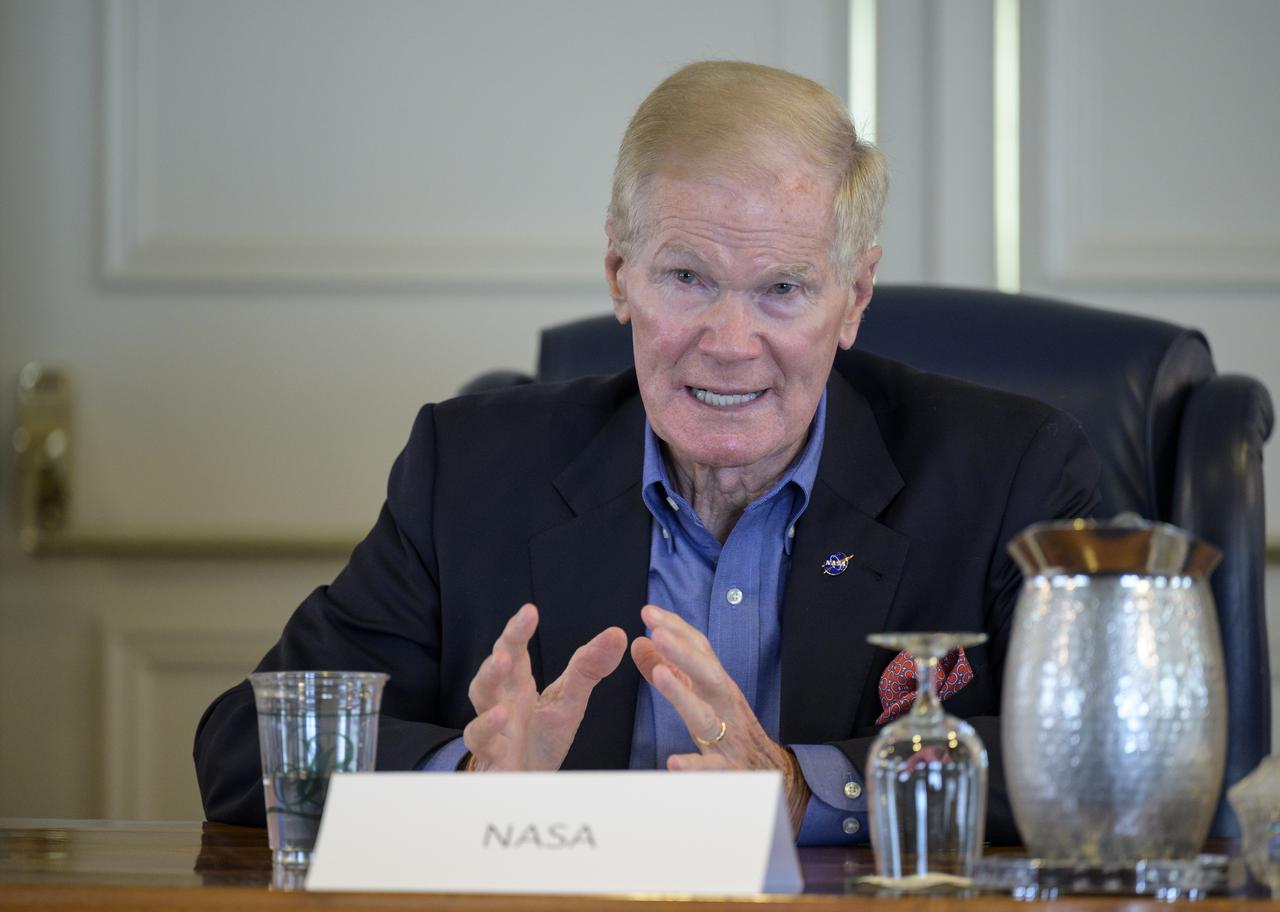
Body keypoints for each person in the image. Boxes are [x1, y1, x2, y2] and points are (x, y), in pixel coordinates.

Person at [195, 61, 1099, 844]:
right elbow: (244, 748)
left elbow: (1093, 767)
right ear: (619, 276)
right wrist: (466, 779)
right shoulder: (470, 468)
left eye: (782, 288)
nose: (730, 341)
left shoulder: (1008, 472)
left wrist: (804, 790)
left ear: (854, 297)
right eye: (686, 277)